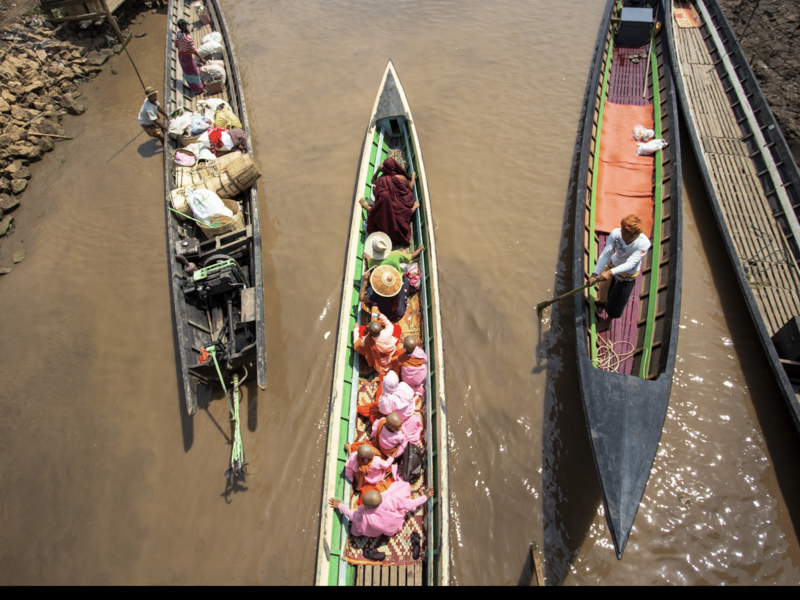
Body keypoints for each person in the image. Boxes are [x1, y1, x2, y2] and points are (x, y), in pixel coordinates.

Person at [588, 214, 651, 333]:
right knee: (603, 289)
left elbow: (631, 263)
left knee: (616, 302)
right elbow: (606, 253)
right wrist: (594, 274)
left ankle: (607, 322)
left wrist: (610, 272)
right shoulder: (616, 234)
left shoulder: (644, 244)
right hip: (613, 265)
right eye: (624, 233)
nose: (625, 237)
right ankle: (601, 301)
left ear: (637, 235)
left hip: (627, 276)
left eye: (630, 236)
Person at [328, 481, 434, 539]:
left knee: (355, 531)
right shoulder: (391, 500)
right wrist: (425, 496)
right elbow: (412, 504)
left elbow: (351, 514)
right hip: (396, 525)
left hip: (389, 530)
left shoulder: (364, 515)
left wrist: (340, 505)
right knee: (398, 488)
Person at [358, 158, 420, 246]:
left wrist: (378, 170)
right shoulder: (401, 177)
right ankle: (414, 207)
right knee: (403, 210)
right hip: (400, 204)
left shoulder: (381, 180)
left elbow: (372, 181)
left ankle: (412, 207)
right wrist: (413, 176)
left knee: (376, 191)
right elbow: (410, 186)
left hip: (387, 204)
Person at [175, 19, 206, 96]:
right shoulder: (188, 38)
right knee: (194, 72)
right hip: (187, 58)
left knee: (187, 73)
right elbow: (193, 50)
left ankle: (194, 88)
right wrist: (201, 58)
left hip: (181, 56)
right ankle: (199, 89)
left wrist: (183, 49)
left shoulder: (178, 34)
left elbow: (176, 45)